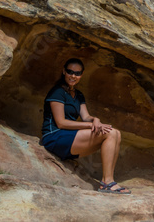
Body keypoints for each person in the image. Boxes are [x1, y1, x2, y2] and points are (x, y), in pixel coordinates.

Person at [41, 57, 130, 194]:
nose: (73, 76)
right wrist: (90, 126)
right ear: (64, 71)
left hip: (69, 137)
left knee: (115, 133)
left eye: (77, 73)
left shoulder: (78, 95)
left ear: (81, 75)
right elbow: (61, 123)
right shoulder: (57, 92)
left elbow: (86, 117)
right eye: (70, 71)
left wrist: (96, 120)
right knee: (109, 133)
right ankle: (107, 183)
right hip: (55, 137)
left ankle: (109, 180)